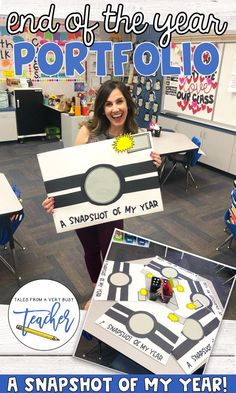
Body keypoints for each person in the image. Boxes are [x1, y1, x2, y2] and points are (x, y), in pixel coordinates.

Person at [42, 80, 161, 285]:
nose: (115, 109)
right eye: (108, 104)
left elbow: (138, 179)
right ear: (102, 109)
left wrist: (153, 166)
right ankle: (97, 291)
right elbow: (71, 171)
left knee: (110, 252)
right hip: (84, 206)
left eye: (119, 101)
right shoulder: (88, 132)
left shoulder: (136, 137)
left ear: (128, 104)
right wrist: (56, 199)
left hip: (113, 206)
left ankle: (109, 291)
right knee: (91, 251)